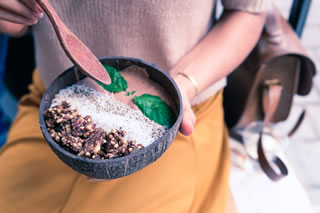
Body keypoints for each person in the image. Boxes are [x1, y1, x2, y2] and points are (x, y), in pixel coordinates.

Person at [0, 0, 269, 212]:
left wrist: (180, 87)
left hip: (174, 122)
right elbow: (24, 23)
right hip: (55, 105)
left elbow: (248, 12)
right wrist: (14, 13)